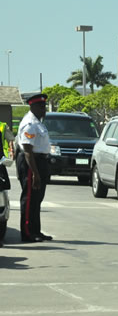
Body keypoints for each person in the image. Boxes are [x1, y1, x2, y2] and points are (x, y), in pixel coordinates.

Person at [16, 93, 53, 243]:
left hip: (40, 162)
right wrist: (35, 174)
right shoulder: (30, 123)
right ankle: (27, 233)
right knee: (29, 199)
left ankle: (36, 231)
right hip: (31, 163)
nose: (44, 109)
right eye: (41, 107)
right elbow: (27, 151)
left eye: (44, 106)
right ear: (32, 106)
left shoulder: (38, 122)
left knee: (37, 199)